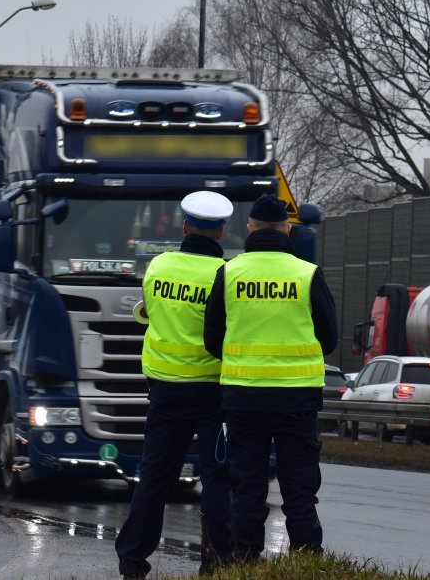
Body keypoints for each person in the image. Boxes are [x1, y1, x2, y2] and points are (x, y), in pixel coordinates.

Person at [203, 193, 338, 561]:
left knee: (247, 487)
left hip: (243, 399)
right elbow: (330, 338)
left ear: (249, 229)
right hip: (297, 399)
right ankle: (306, 562)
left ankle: (245, 562)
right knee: (299, 490)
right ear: (288, 229)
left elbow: (213, 339)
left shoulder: (229, 273)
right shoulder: (307, 274)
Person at [115, 190, 235, 579]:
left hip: (164, 390)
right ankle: (215, 564)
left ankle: (132, 561)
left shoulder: (158, 266)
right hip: (210, 391)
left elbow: (152, 311)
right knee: (217, 478)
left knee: (154, 480)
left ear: (185, 226)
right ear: (220, 232)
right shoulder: (225, 275)